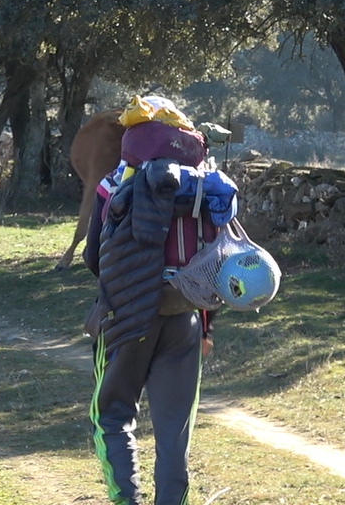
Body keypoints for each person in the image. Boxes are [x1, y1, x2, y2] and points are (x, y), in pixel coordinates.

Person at [82, 100, 235, 505]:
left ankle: (125, 499)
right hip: (184, 318)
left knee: (111, 418)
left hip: (126, 320)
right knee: (173, 432)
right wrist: (208, 326)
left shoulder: (114, 184)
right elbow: (217, 259)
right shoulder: (202, 189)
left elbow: (93, 258)